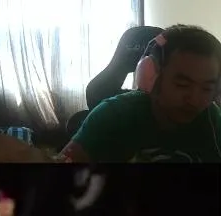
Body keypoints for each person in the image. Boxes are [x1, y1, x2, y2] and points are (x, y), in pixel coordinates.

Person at [61, 25, 221, 163]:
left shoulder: (211, 119)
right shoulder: (113, 114)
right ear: (152, 78)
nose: (195, 100)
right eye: (182, 85)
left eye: (207, 88)